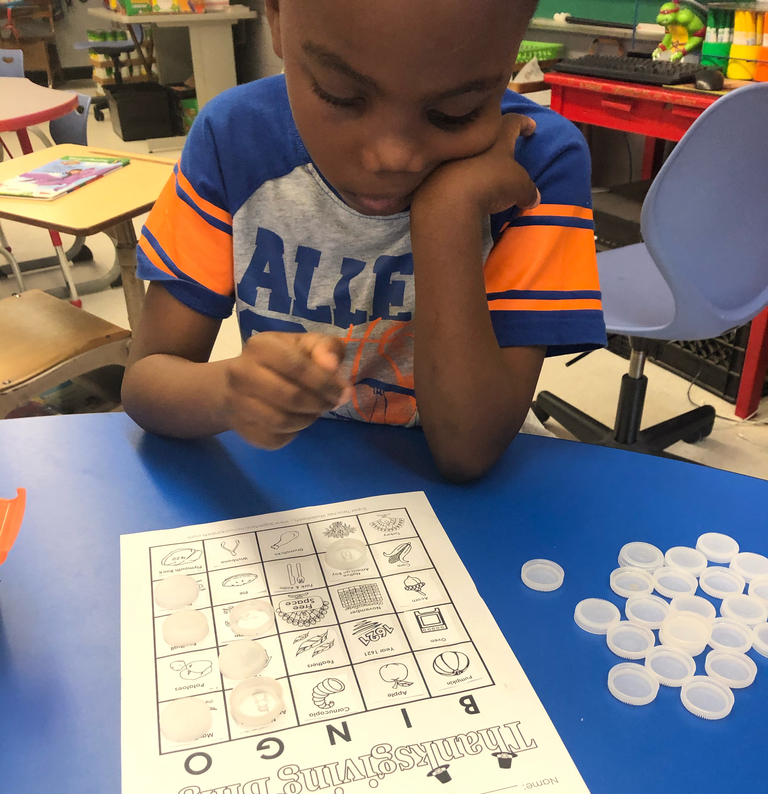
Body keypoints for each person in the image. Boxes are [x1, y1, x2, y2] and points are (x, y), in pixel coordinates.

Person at [122, 0, 605, 481]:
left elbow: (469, 451)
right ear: (274, 16)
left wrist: (446, 214)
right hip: (298, 482)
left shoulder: (536, 164)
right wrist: (228, 392)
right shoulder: (231, 139)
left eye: (455, 113)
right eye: (340, 95)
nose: (392, 157)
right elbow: (145, 383)